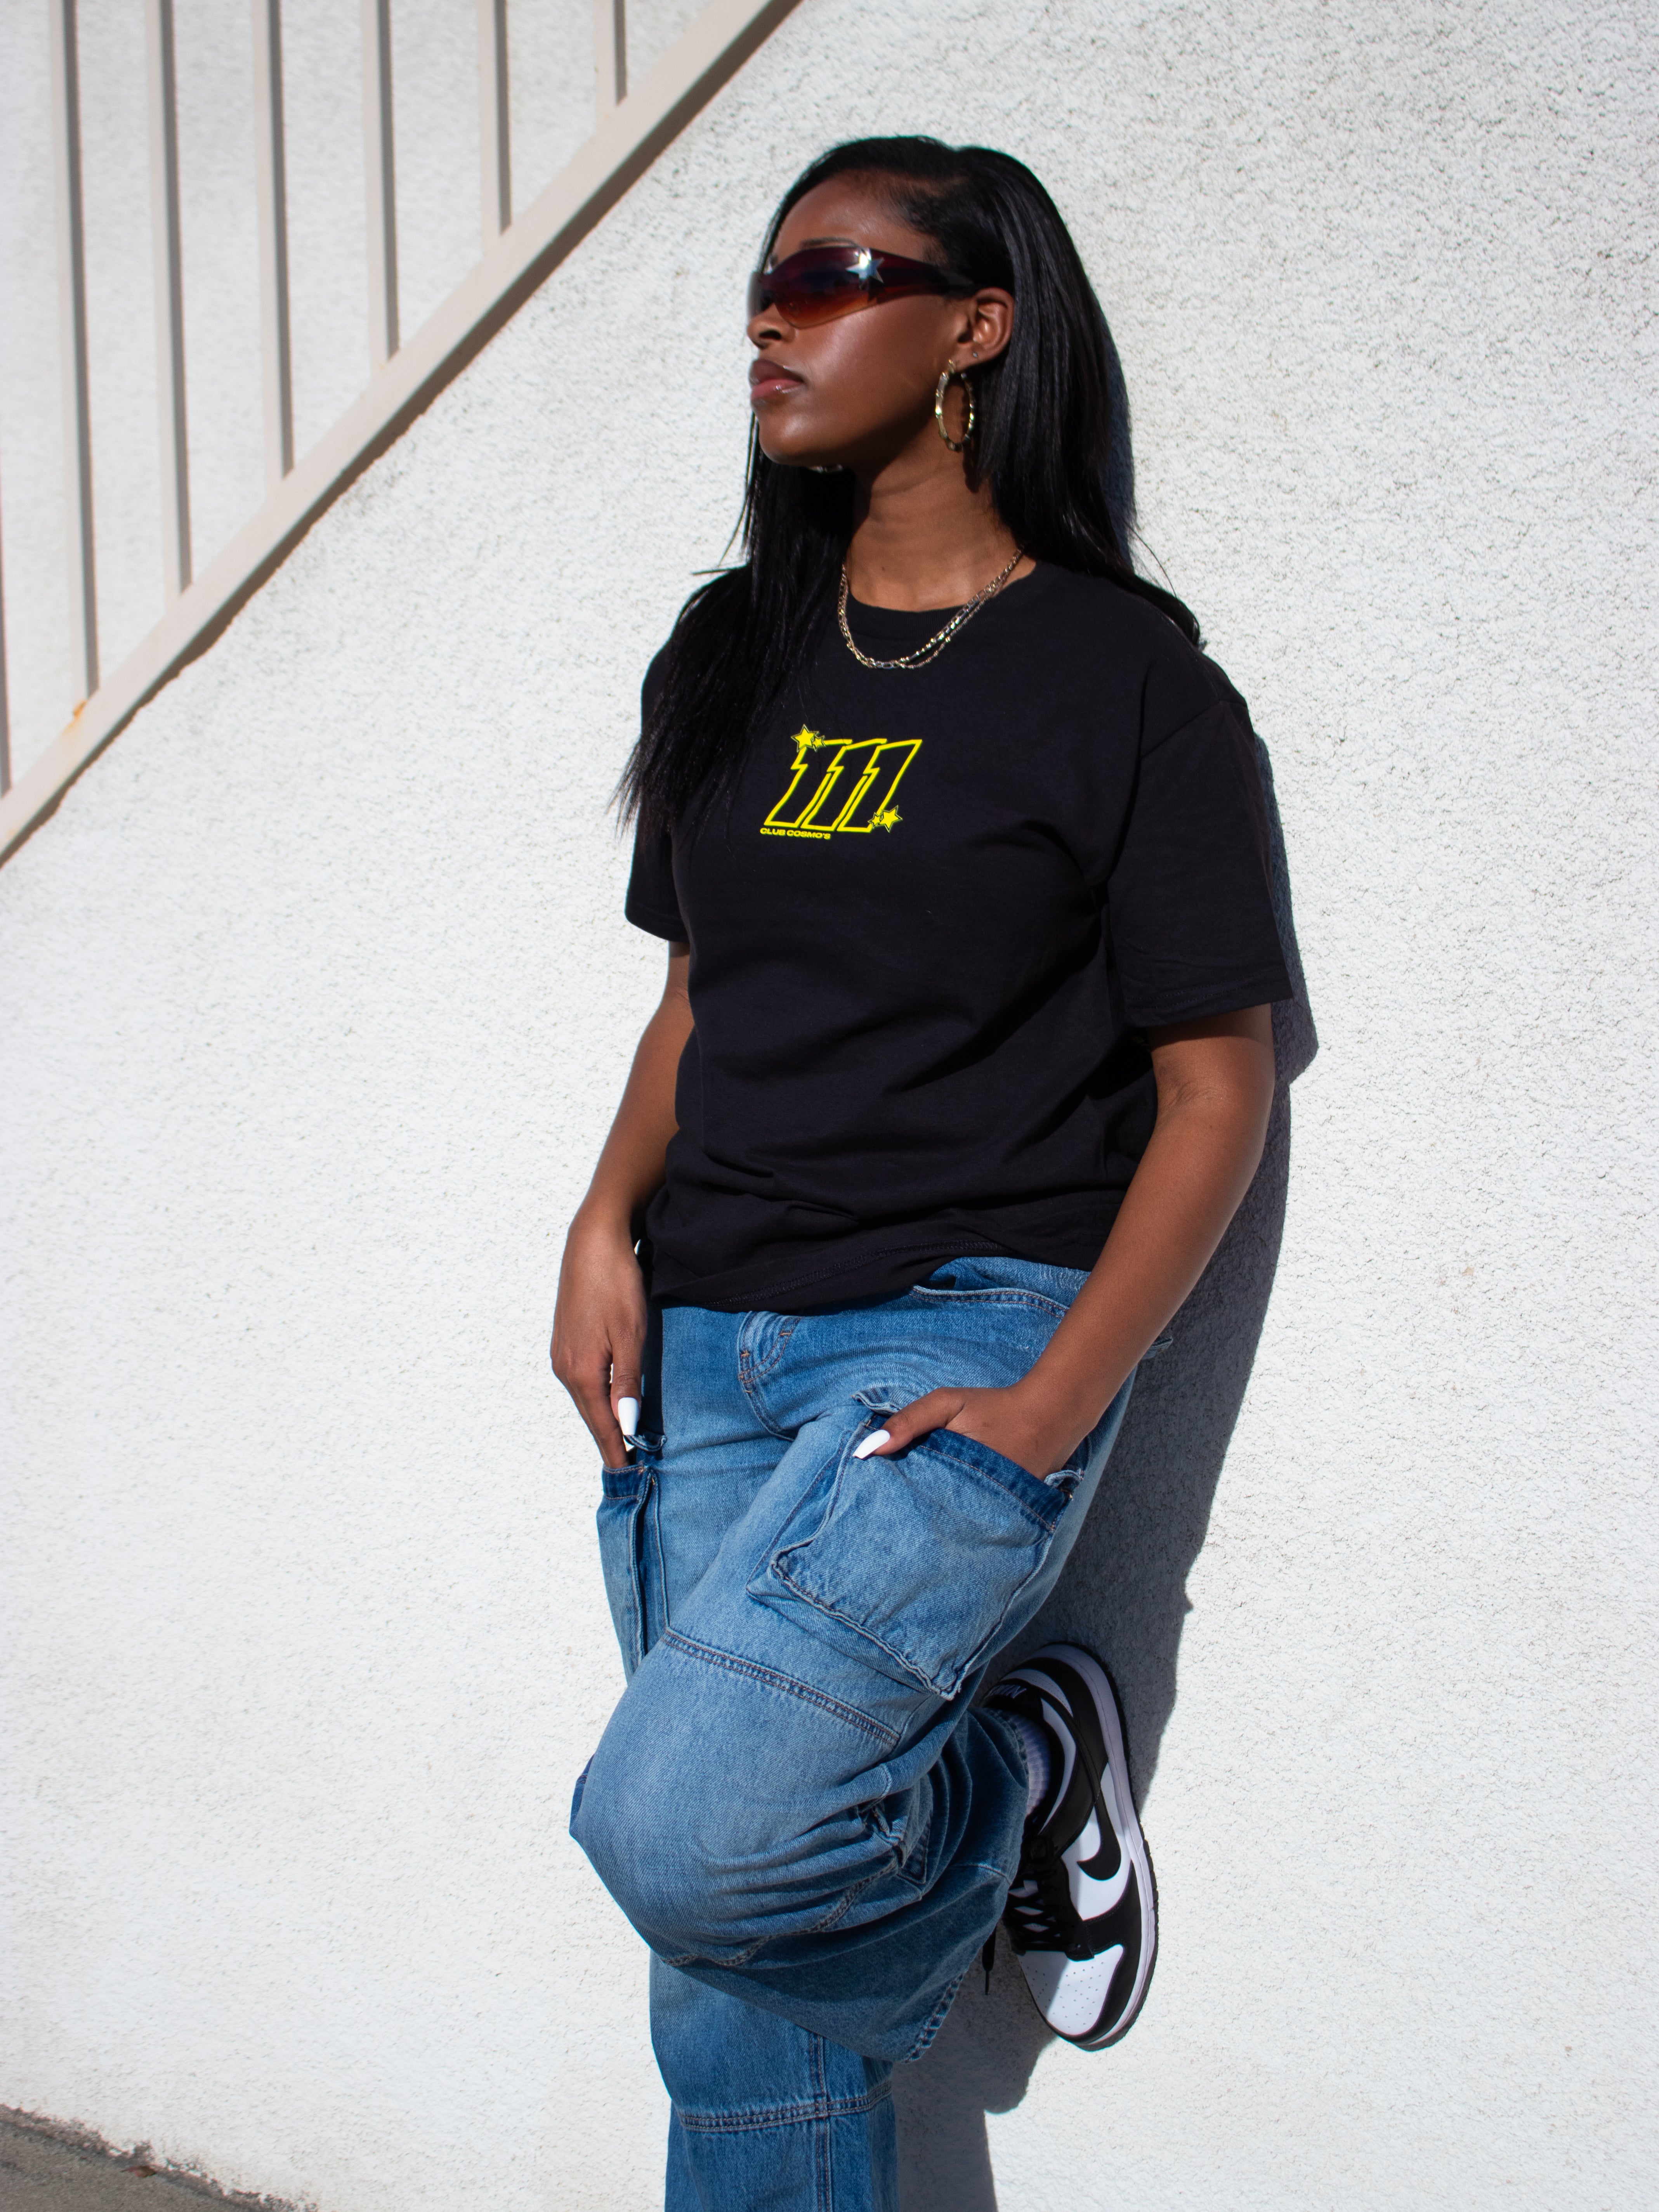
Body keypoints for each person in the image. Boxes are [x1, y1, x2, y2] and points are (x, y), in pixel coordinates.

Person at [551, 135, 1291, 2212]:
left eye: (832, 276)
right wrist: (600, 1224)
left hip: (955, 1333)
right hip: (710, 1328)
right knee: (725, 1990)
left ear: (978, 328)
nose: (772, 319)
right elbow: (699, 995)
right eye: (763, 283)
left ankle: (1009, 1784)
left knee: (689, 1841)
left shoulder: (1128, 684)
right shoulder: (732, 650)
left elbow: (1217, 1088)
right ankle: (986, 1817)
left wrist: (1056, 1405)